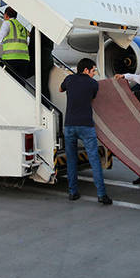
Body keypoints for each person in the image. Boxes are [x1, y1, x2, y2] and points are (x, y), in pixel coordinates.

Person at [59, 58, 112, 205]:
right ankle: (101, 195)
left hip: (69, 125)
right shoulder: (93, 84)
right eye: (93, 70)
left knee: (71, 160)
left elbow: (60, 89)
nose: (94, 73)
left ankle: (72, 192)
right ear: (86, 70)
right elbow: (92, 98)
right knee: (94, 160)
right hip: (86, 126)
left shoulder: (69, 79)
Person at [0, 7, 30, 79]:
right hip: (24, 59)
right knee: (19, 81)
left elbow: (1, 35)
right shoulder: (22, 27)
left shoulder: (8, 23)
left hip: (11, 58)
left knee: (0, 76)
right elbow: (27, 38)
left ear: (6, 15)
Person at [26, 29, 55, 100]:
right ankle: (46, 104)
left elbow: (32, 46)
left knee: (20, 74)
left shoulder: (37, 29)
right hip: (48, 60)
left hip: (40, 60)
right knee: (44, 86)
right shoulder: (49, 31)